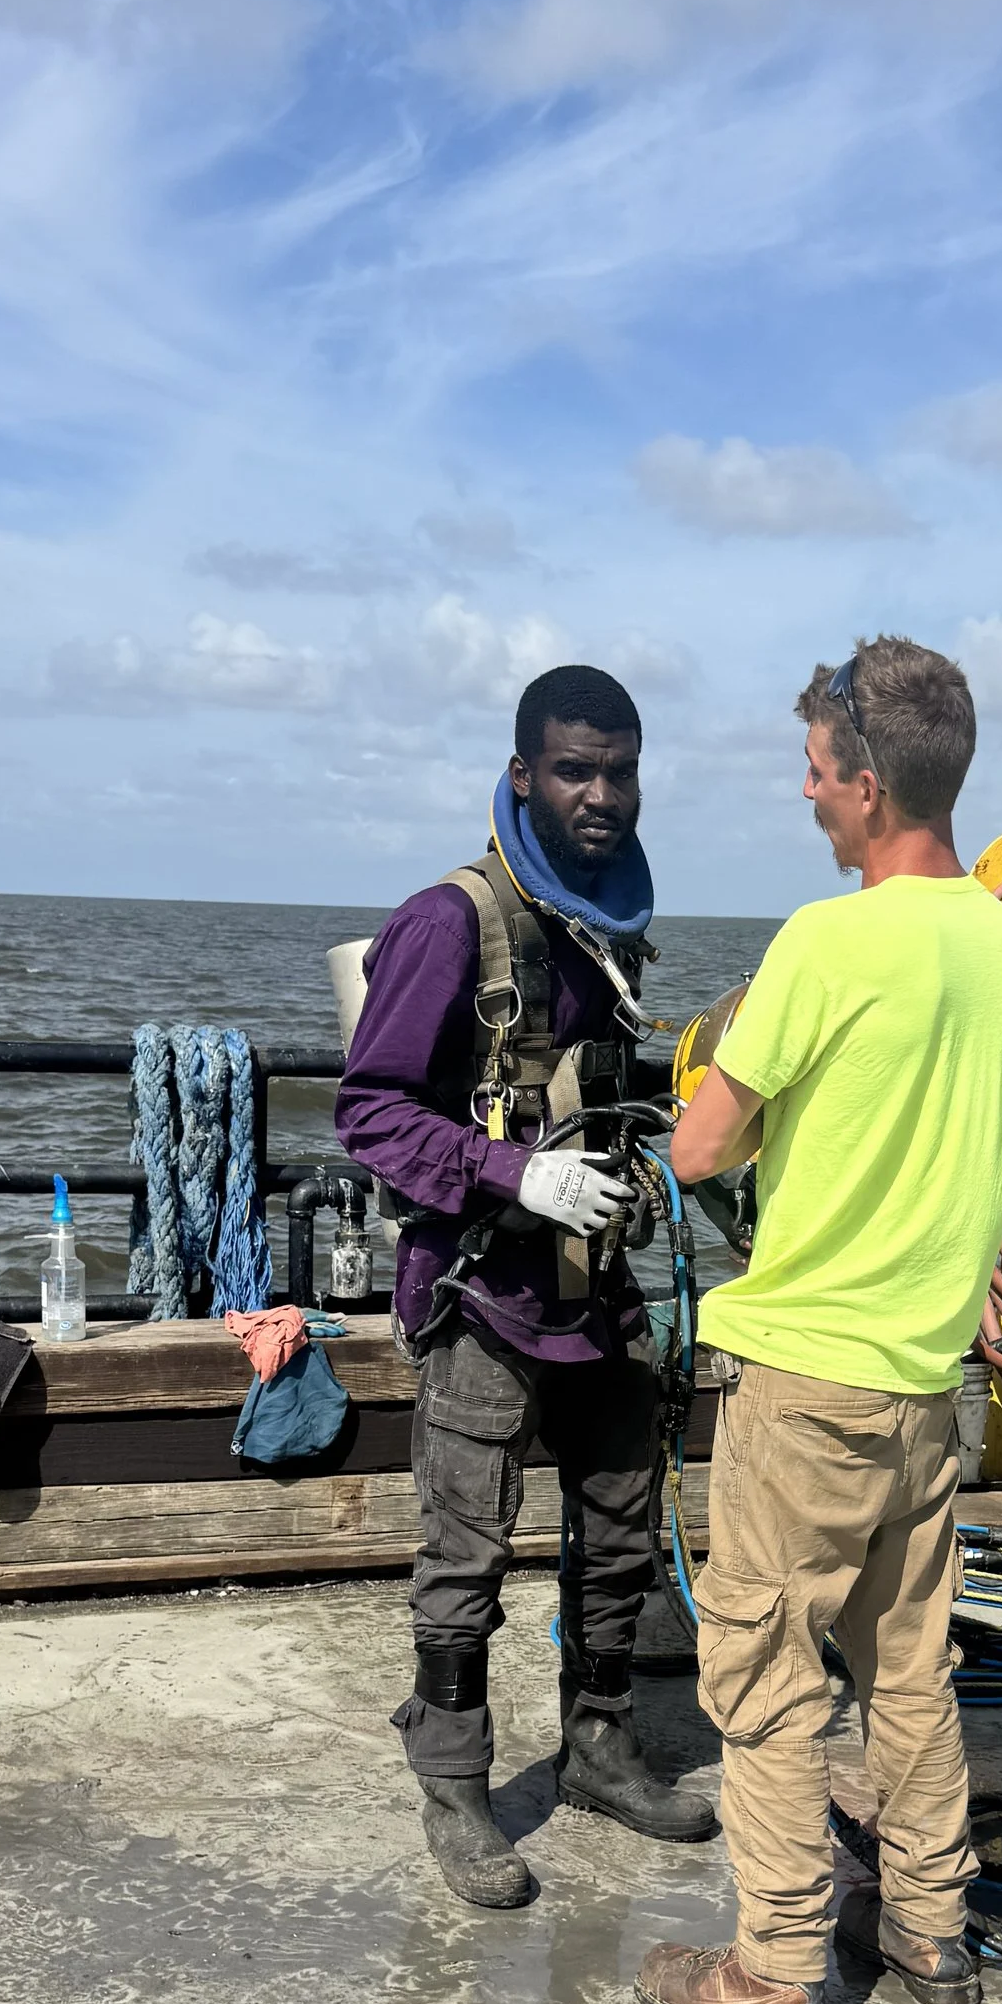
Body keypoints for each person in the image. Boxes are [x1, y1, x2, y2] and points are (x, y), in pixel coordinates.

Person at [640, 636, 1002, 2004]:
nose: (806, 797)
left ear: (870, 786)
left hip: (805, 1387)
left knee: (763, 1682)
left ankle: (777, 1973)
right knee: (909, 1668)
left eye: (817, 775)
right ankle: (932, 1930)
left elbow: (700, 1140)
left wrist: (754, 1085)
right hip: (931, 1392)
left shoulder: (822, 944)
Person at [336, 664, 719, 1907]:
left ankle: (600, 1744)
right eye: (574, 769)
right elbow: (370, 1113)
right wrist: (513, 1177)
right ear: (521, 775)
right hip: (482, 1296)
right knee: (466, 1553)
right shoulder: (450, 922)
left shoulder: (601, 922)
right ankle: (453, 1779)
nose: (602, 794)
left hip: (600, 1289)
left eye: (620, 770)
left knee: (617, 1537)